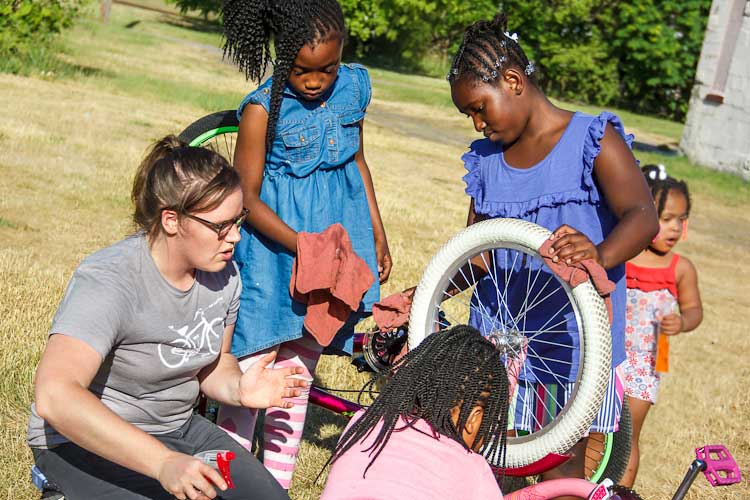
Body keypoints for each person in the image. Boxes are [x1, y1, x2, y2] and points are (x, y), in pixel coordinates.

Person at [445, 13, 658, 497]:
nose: (478, 124)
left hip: (572, 344)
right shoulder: (487, 162)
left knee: (559, 471)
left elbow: (642, 215)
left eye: (480, 108)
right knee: (487, 459)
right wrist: (428, 290)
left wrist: (600, 254)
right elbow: (479, 256)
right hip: (499, 344)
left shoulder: (591, 138)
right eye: (469, 117)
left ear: (514, 82)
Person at [27, 136, 306, 500]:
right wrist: (162, 463)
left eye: (238, 220)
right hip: (82, 442)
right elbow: (55, 395)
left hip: (179, 429)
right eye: (221, 226)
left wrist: (239, 388)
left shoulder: (225, 275)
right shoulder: (110, 279)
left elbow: (214, 362)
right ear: (172, 220)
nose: (235, 236)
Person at [216, 0, 391, 489]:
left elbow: (357, 162)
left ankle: (274, 487)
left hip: (333, 250)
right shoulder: (261, 109)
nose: (315, 82)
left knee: (298, 372)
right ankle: (226, 483)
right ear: (281, 58)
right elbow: (246, 196)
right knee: (253, 366)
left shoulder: (354, 88)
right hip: (275, 258)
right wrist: (303, 246)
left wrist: (374, 230)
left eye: (326, 70)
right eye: (301, 71)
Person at [321, 325, 507, 500]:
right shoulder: (472, 469)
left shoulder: (365, 421)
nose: (491, 432)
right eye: (493, 423)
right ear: (472, 420)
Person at [620, 164, 703, 488]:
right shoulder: (623, 254)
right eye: (666, 218)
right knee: (597, 428)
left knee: (627, 433)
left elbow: (695, 310)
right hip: (612, 353)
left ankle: (619, 492)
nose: (674, 228)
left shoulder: (681, 268)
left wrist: (682, 322)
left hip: (651, 361)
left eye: (680, 220)